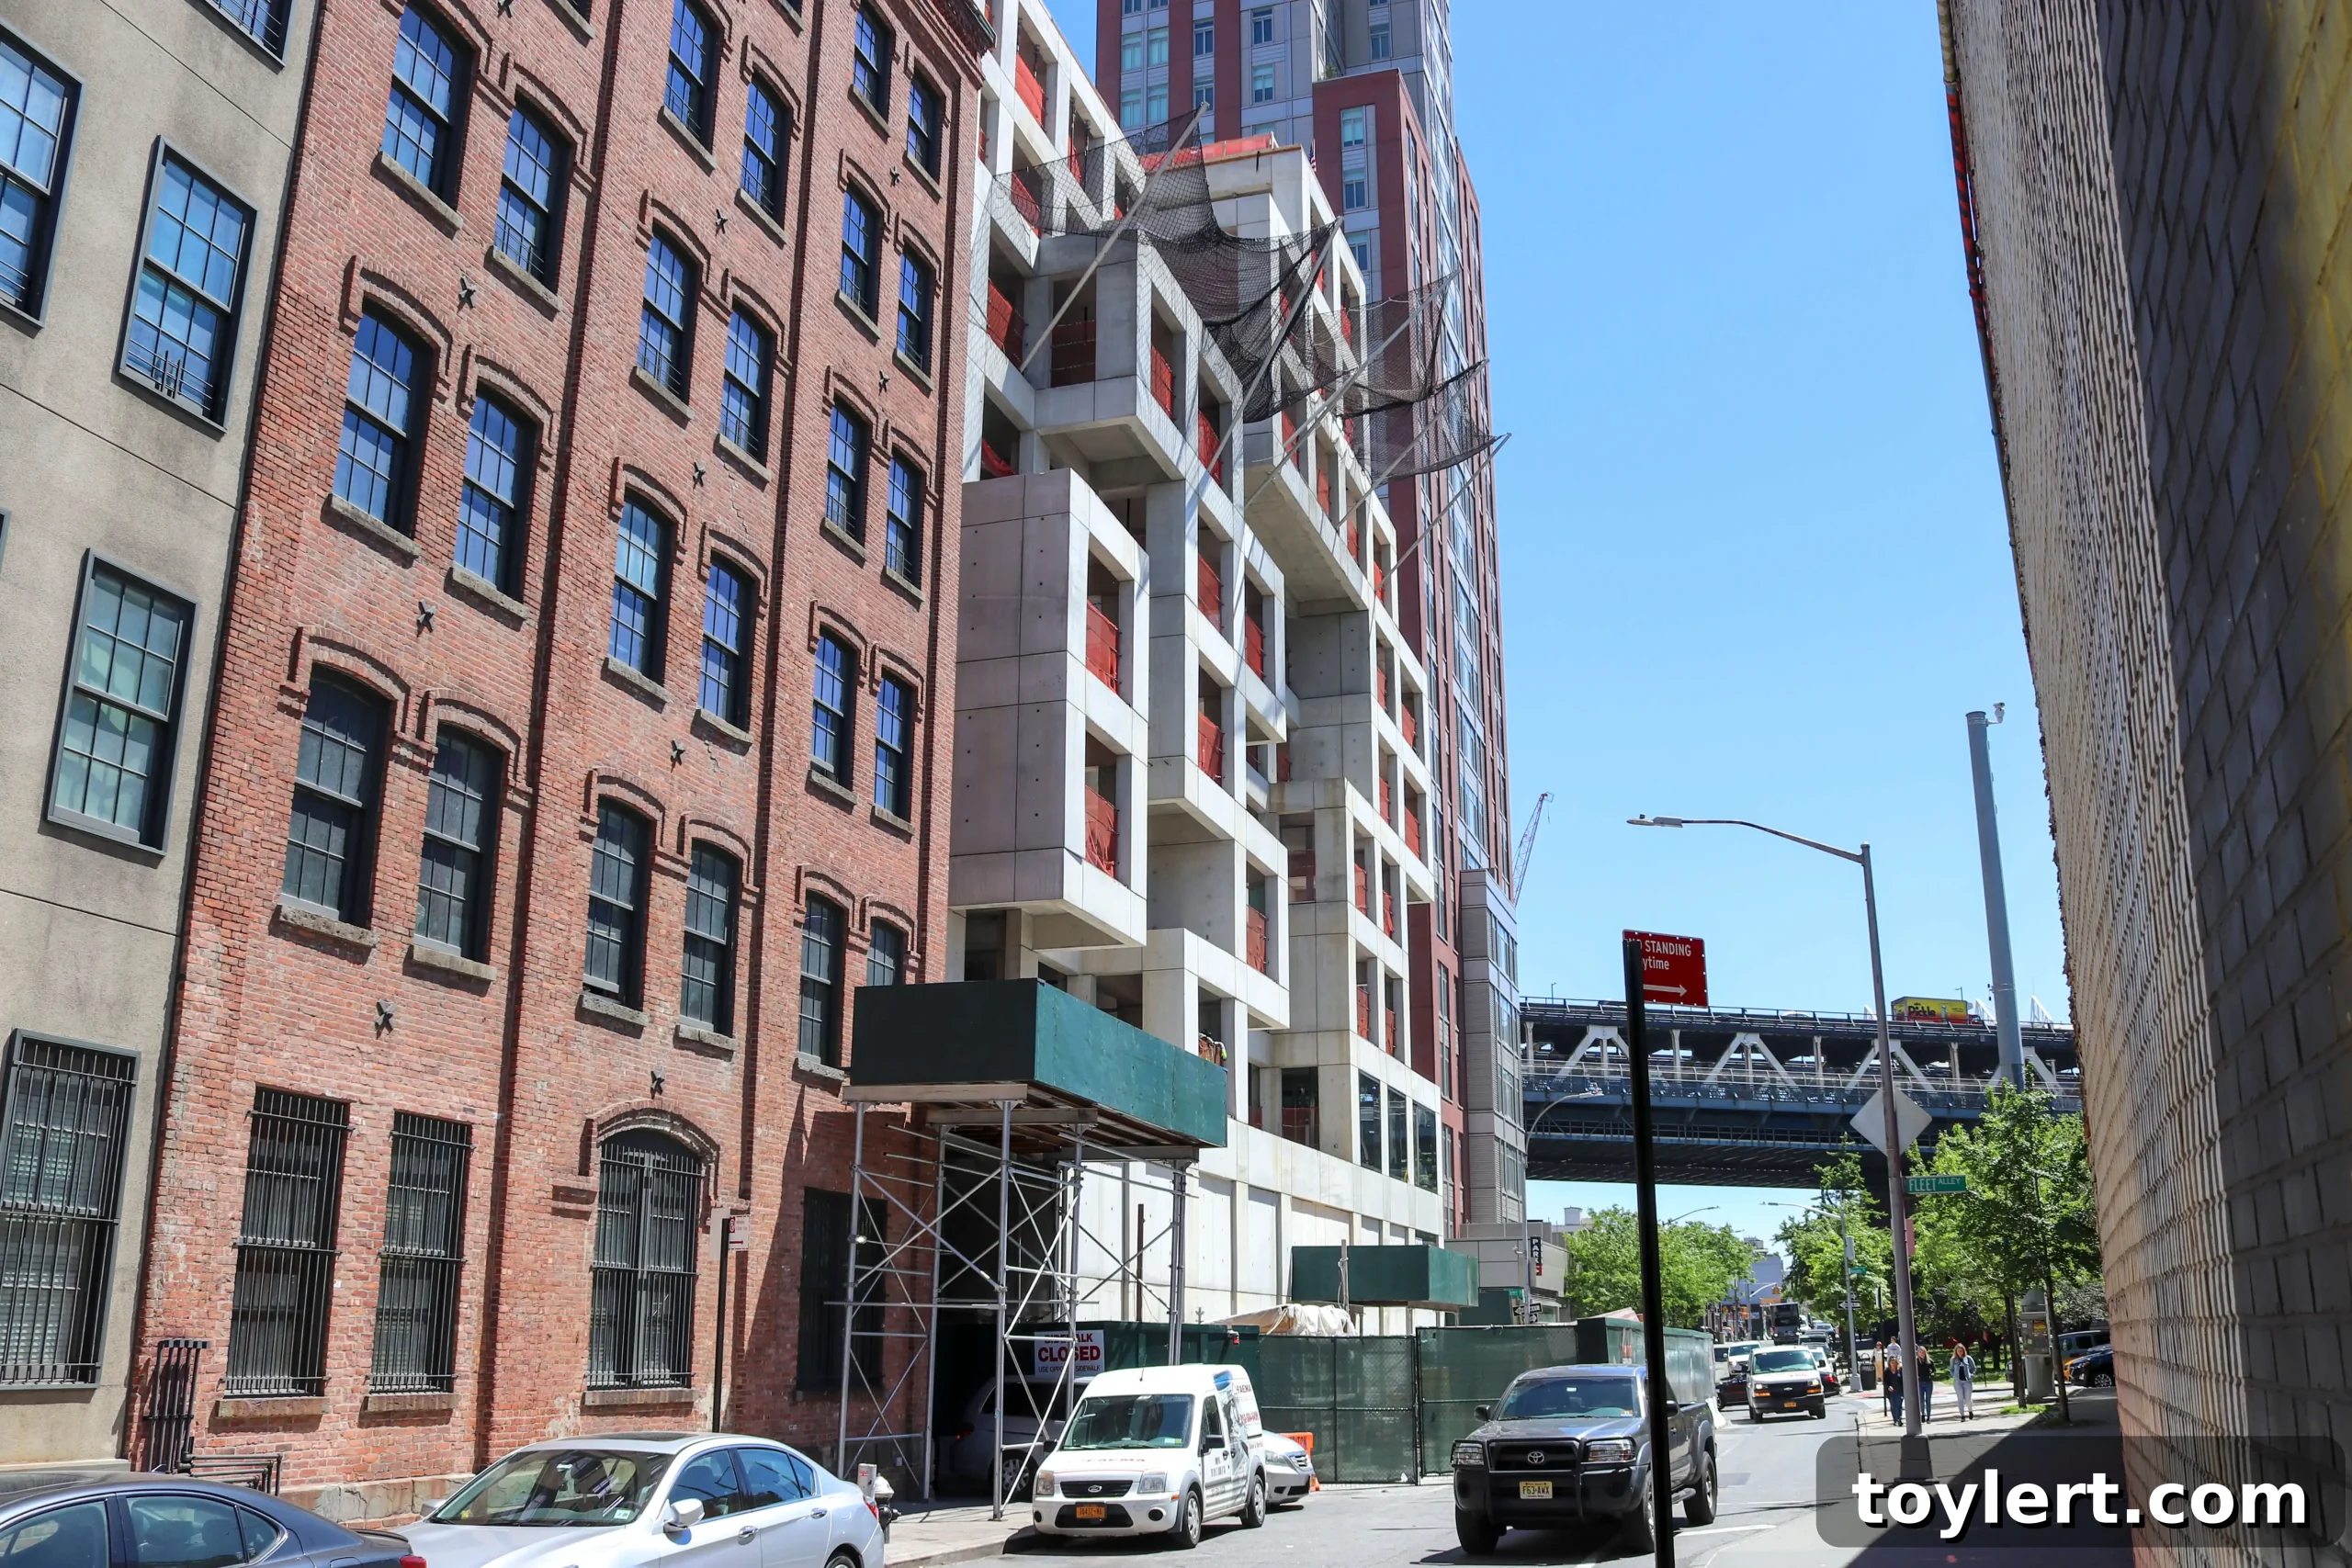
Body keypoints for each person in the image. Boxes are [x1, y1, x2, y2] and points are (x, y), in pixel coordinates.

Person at [1951, 1341, 1977, 1419]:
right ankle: (1962, 1415)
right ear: (1956, 1351)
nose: (1960, 1352)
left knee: (1968, 1398)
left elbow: (1973, 1368)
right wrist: (1954, 1376)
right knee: (1960, 1399)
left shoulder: (1968, 1358)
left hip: (1967, 1381)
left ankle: (1970, 1411)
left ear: (1964, 1350)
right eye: (1958, 1351)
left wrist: (1971, 1375)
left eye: (1961, 1350)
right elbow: (1951, 1369)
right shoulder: (1953, 1360)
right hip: (1958, 1382)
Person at [1916, 1343, 1938, 1422]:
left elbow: (1934, 1370)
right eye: (1920, 1352)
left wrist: (1932, 1375)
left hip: (1928, 1382)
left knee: (1928, 1399)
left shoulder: (1930, 1361)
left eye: (1923, 1352)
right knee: (1921, 1400)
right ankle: (1923, 1414)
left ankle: (1929, 1416)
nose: (1922, 1354)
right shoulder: (1916, 1362)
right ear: (1918, 1353)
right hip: (1920, 1383)